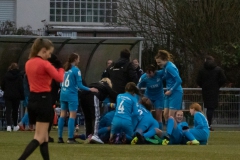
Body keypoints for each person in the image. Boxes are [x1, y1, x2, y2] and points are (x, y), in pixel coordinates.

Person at [18, 38, 64, 160]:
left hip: (33, 99)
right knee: (39, 137)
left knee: (44, 138)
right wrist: (60, 67)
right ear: (43, 51)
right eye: (49, 53)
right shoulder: (45, 64)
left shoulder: (29, 63)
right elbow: (60, 78)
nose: (49, 56)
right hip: (44, 100)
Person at [57, 53, 98, 144]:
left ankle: (60, 138)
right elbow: (80, 85)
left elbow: (60, 83)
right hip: (71, 95)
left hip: (63, 94)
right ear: (75, 59)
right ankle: (70, 138)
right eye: (78, 59)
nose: (79, 60)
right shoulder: (76, 70)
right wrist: (90, 89)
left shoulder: (65, 70)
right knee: (72, 116)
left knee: (62, 115)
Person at [80, 77, 117, 144]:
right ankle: (95, 135)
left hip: (82, 96)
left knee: (87, 117)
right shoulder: (105, 85)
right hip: (93, 95)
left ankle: (88, 135)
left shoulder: (95, 83)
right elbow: (114, 95)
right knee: (96, 116)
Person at [196, 55, 226, 131]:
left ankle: (207, 123)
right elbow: (223, 79)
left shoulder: (202, 70)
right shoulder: (218, 69)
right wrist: (217, 85)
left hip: (205, 90)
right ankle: (208, 124)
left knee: (208, 107)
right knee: (211, 108)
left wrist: (203, 85)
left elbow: (198, 80)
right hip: (214, 90)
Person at [155, 50, 183, 123]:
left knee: (171, 116)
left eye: (159, 62)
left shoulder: (170, 67)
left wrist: (171, 90)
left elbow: (179, 80)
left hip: (175, 92)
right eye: (157, 62)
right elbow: (163, 75)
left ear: (164, 60)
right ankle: (170, 131)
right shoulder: (165, 67)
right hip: (168, 92)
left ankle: (175, 133)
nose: (158, 64)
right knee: (165, 114)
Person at [137, 64, 164, 129]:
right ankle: (147, 129)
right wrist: (139, 96)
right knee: (147, 113)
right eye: (147, 73)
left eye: (150, 73)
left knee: (158, 116)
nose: (148, 75)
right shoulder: (144, 77)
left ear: (154, 72)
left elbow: (167, 72)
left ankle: (159, 132)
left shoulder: (159, 74)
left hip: (159, 97)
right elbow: (138, 87)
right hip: (148, 96)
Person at [1, 63, 24, 132]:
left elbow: (2, 86)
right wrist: (22, 96)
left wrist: (6, 90)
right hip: (16, 96)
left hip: (8, 95)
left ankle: (8, 126)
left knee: (8, 111)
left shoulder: (6, 76)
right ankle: (14, 125)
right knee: (15, 111)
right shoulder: (19, 77)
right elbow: (21, 88)